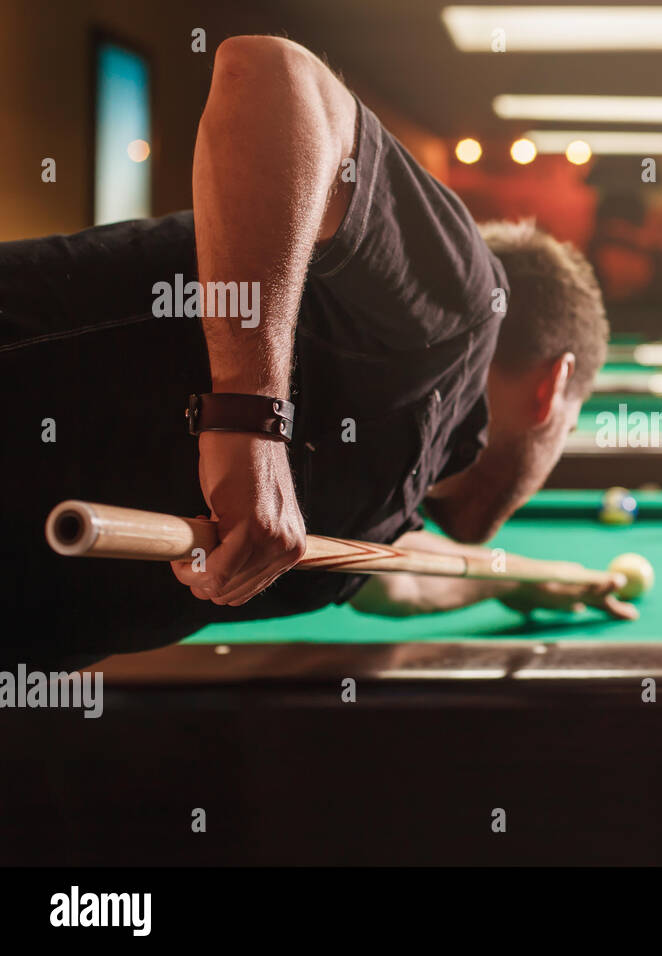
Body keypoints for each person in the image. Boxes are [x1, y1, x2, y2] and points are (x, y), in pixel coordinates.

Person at [0, 35, 629, 671]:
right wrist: (249, 427)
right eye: (571, 427)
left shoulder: (391, 490)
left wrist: (523, 575)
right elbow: (270, 75)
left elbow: (396, 576)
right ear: (554, 387)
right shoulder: (464, 306)